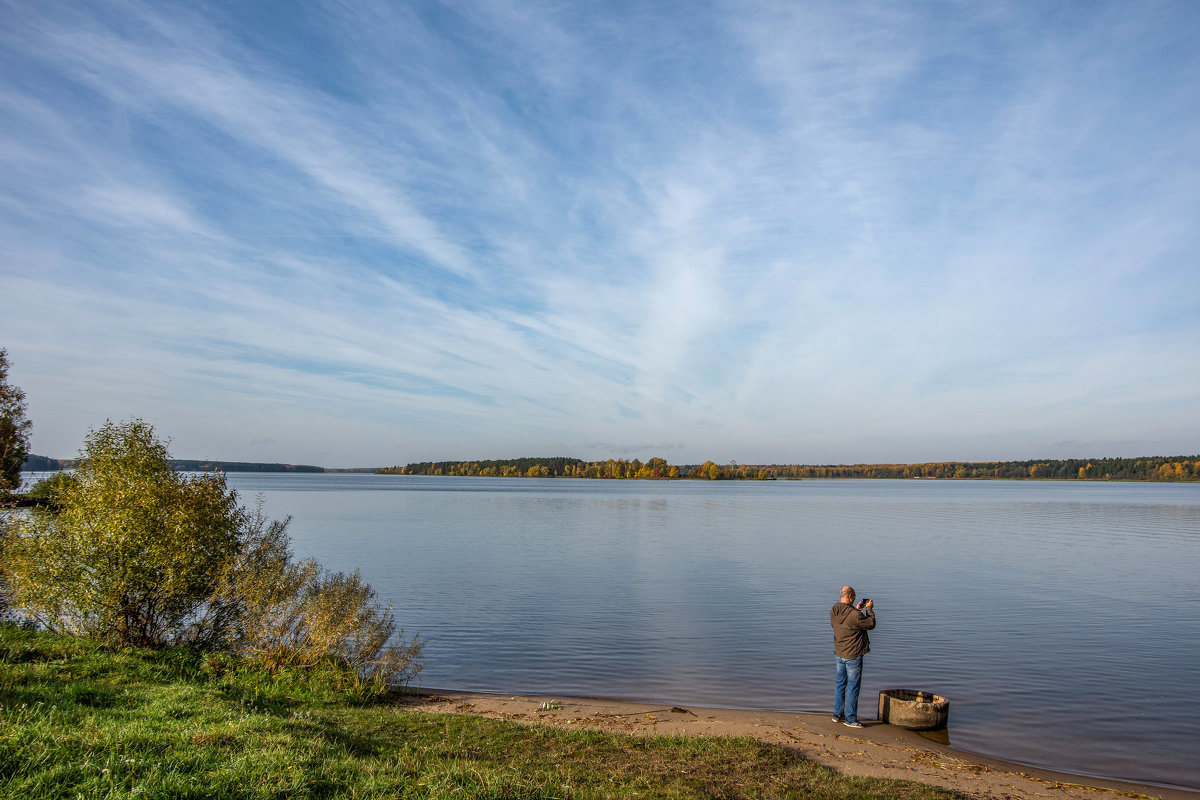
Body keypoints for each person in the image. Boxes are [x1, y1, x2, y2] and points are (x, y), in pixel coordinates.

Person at [830, 585, 875, 728]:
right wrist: (869, 610)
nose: (855, 598)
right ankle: (850, 718)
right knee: (853, 687)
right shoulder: (855, 616)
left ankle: (837, 715)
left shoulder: (834, 610)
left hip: (839, 652)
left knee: (840, 684)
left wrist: (857, 609)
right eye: (854, 596)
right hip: (853, 655)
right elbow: (871, 624)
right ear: (850, 597)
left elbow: (848, 619)